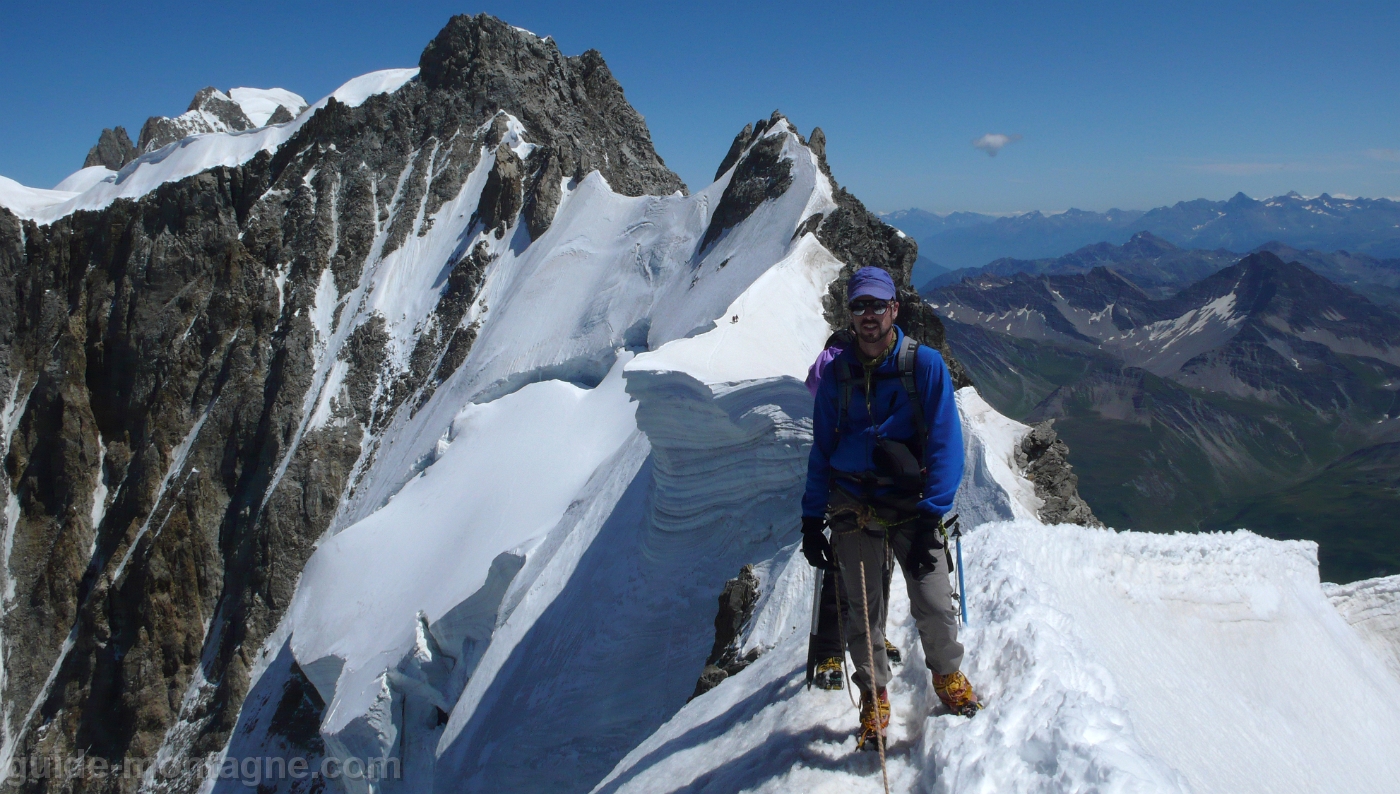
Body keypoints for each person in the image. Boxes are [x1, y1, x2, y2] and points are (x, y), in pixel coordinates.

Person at [800, 266, 981, 750]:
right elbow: (821, 450)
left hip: (912, 504)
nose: (868, 316)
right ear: (850, 314)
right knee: (864, 610)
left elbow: (946, 444)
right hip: (851, 502)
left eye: (877, 305)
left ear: (894, 310)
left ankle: (946, 674)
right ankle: (874, 695)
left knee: (935, 601)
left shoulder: (923, 366)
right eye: (859, 306)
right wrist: (811, 517)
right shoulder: (836, 374)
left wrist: (930, 518)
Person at [805, 330, 903, 691]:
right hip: (862, 480)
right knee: (872, 562)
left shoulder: (830, 363)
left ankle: (837, 647)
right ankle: (856, 639)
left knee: (848, 563)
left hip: (852, 479)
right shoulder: (844, 363)